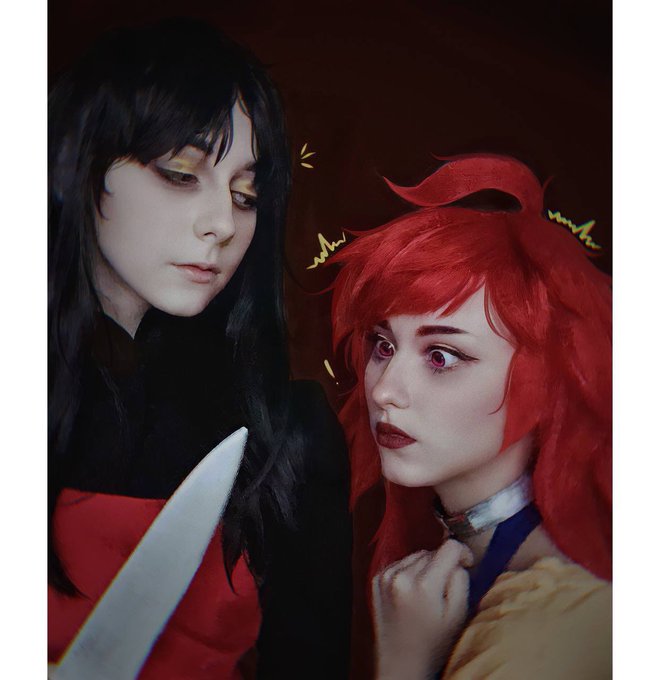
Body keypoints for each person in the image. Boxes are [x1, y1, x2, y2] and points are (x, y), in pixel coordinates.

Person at [48, 19, 351, 679]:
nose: (223, 224)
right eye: (181, 173)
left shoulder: (287, 434)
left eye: (246, 195)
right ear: (79, 163)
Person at [331, 154, 611, 679]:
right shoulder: (466, 559)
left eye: (441, 356)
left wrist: (404, 665)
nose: (385, 390)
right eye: (384, 345)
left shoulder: (549, 626)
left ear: (547, 381)